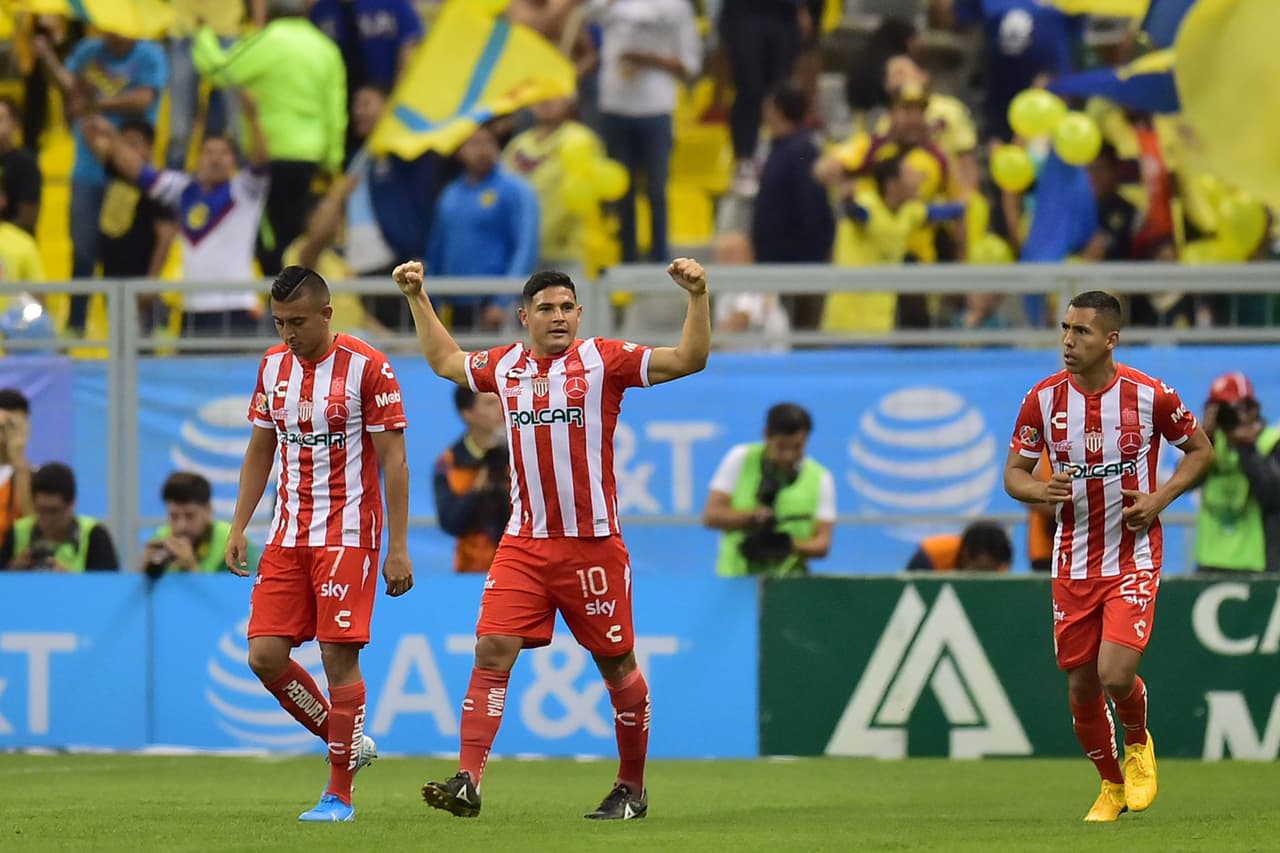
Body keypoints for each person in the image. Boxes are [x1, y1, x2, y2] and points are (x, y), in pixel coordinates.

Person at [393, 255, 711, 820]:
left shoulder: (604, 361)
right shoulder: (505, 367)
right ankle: (468, 779)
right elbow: (445, 360)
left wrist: (698, 295)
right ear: (524, 317)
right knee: (492, 647)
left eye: (567, 307)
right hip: (523, 544)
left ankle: (631, 789)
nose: (558, 316)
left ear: (580, 313)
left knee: (617, 664)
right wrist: (418, 297)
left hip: (592, 545)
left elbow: (690, 358)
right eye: (546, 308)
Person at [1003, 290, 1214, 822]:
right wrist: (1037, 492)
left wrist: (1160, 498)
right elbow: (1014, 474)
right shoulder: (1043, 399)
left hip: (1133, 553)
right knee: (1080, 683)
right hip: (1072, 559)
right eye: (1066, 329)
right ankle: (1111, 784)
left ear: (1111, 340)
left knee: (1115, 674)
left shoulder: (1150, 395)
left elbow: (1201, 450)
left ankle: (1139, 744)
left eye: (1082, 332)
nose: (1069, 341)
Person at [223, 264, 413, 822]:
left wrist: (397, 546)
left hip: (348, 533)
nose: (288, 334)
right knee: (264, 656)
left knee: (337, 656)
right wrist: (239, 526)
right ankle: (345, 735)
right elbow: (260, 448)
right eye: (280, 322)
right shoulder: (272, 367)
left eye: (298, 322)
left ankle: (339, 794)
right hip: (287, 535)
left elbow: (394, 461)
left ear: (328, 315)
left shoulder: (368, 366)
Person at [703, 402, 836, 577]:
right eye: (781, 447)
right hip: (735, 581)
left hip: (790, 584)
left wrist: (787, 546)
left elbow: (823, 543)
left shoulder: (820, 478)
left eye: (797, 447)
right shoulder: (741, 458)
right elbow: (711, 516)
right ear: (766, 435)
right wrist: (751, 518)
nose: (789, 456)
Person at [1195, 372, 1280, 574]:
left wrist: (1246, 447)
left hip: (1257, 561)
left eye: (1232, 408)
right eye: (1217, 408)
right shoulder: (1209, 445)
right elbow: (1182, 483)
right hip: (1210, 559)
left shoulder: (1271, 441)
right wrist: (1202, 442)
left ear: (1252, 409)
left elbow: (1273, 496)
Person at [434, 388, 510, 574]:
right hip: (470, 571)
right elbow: (450, 522)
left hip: (519, 566)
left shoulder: (524, 455)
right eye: (490, 403)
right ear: (467, 413)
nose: (501, 408)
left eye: (501, 399)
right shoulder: (449, 462)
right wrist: (478, 488)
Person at [0, 463, 119, 571]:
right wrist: (12, 570)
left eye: (53, 511)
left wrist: (66, 580)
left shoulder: (94, 536)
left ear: (72, 505)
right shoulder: (18, 531)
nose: (47, 519)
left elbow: (107, 588)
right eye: (40, 510)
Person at [142, 471, 254, 577]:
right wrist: (144, 573)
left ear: (209, 509)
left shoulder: (235, 543)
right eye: (174, 516)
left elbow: (245, 590)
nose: (182, 525)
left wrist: (191, 567)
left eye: (190, 515)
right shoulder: (160, 539)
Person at [0, 388, 35, 550]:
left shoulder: (36, 476)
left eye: (12, 425)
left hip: (16, 571)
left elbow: (35, 531)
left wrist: (19, 460)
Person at [905, 521, 1012, 571]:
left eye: (989, 572)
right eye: (979, 570)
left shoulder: (1002, 566)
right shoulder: (932, 553)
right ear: (966, 554)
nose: (983, 577)